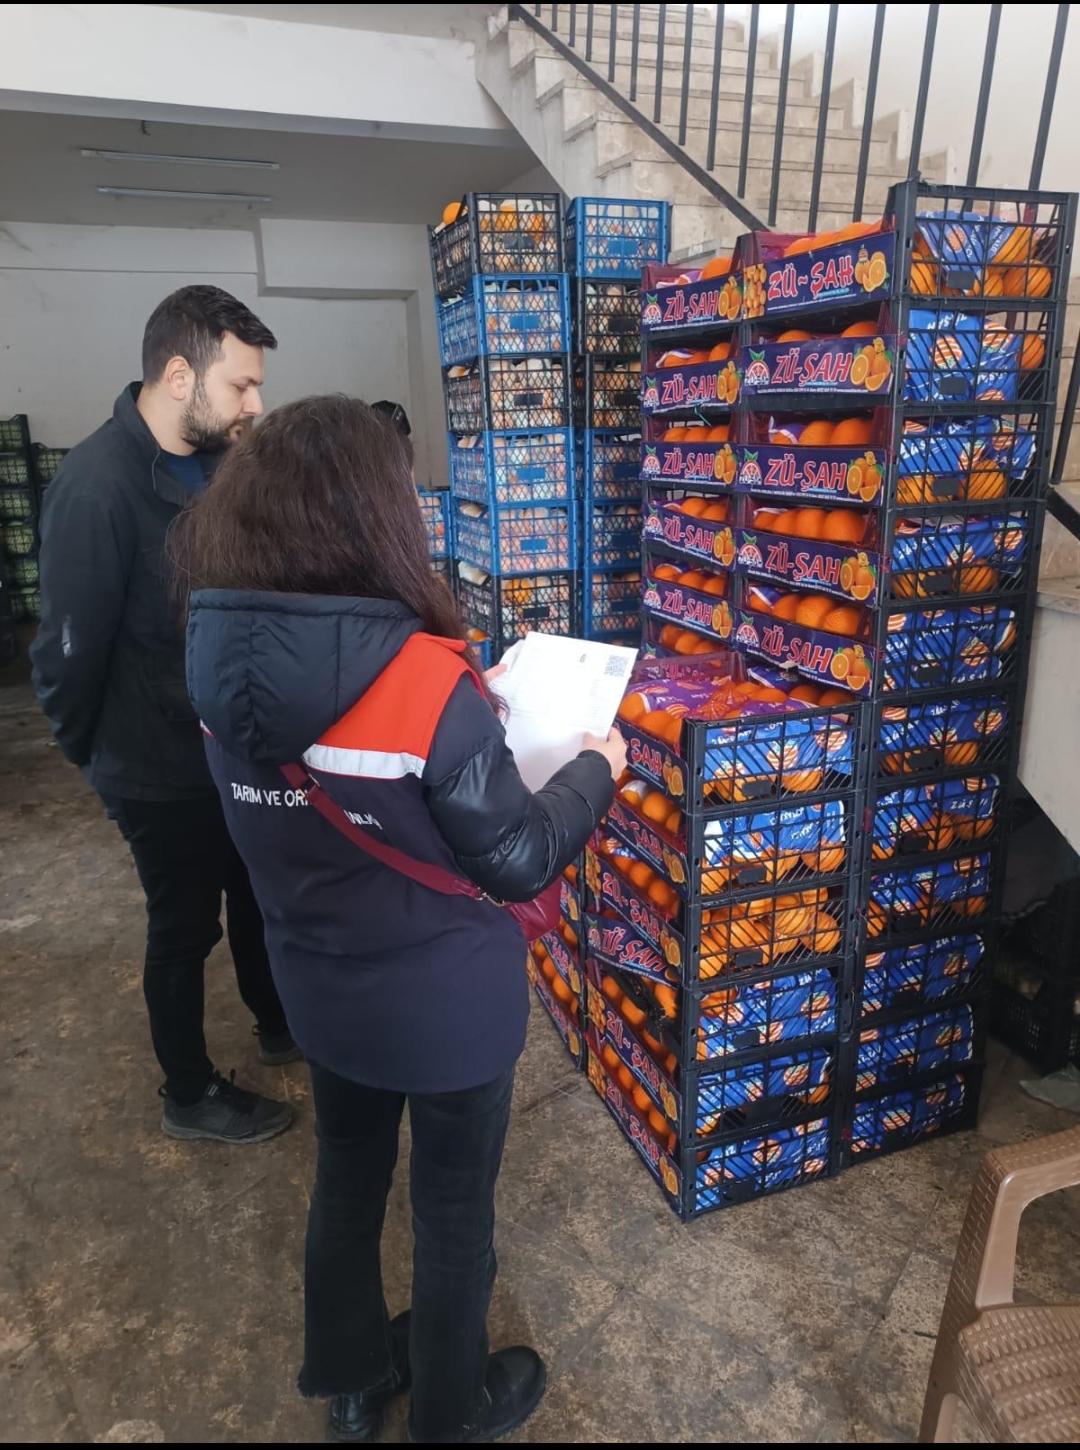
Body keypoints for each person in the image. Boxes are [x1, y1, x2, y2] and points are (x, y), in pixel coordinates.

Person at [174, 395, 626, 1443]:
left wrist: (472, 713)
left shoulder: (211, 660)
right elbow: (517, 856)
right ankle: (450, 1411)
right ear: (372, 519)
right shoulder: (422, 682)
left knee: (346, 1179)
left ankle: (350, 1385)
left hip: (319, 987)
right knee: (452, 1213)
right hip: (446, 1009)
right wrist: (596, 771)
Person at [31, 285, 298, 1146]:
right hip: (154, 760)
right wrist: (96, 760)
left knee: (256, 893)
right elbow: (67, 653)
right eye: (241, 386)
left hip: (230, 744)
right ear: (180, 376)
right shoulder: (97, 487)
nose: (255, 406)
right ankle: (189, 1092)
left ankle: (278, 1022)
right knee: (184, 927)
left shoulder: (220, 466)